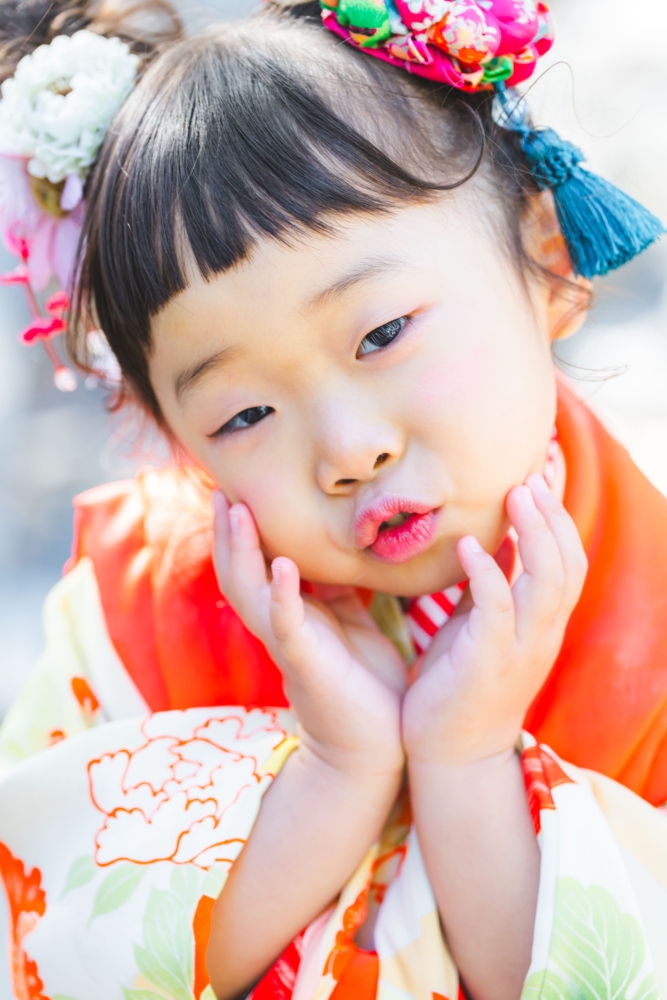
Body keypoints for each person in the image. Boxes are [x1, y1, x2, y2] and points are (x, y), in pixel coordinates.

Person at [0, 1, 666, 998]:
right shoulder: (124, 620)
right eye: (244, 413)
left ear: (547, 262)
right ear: (172, 438)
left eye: (381, 333)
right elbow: (56, 956)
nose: (348, 452)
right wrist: (336, 766)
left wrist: (467, 756)